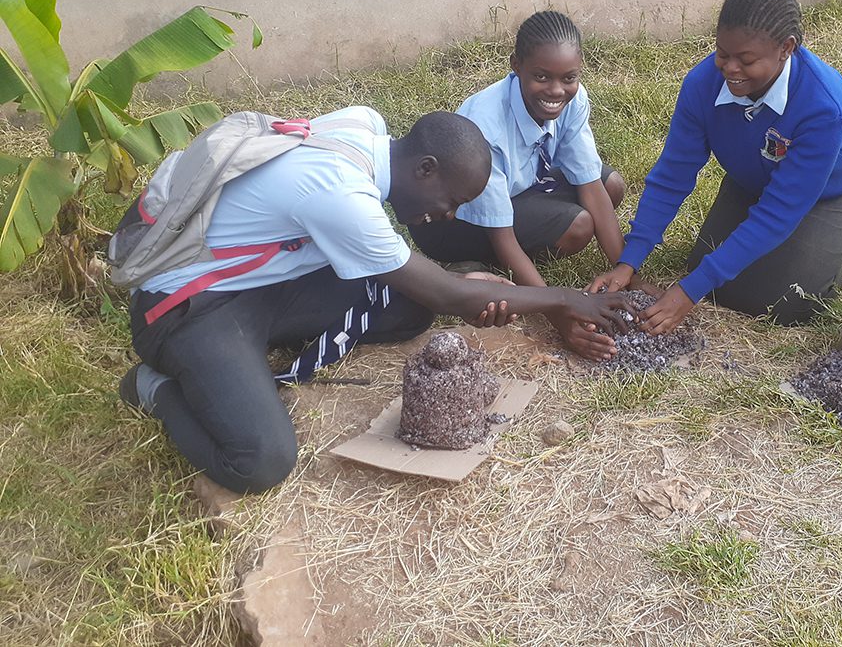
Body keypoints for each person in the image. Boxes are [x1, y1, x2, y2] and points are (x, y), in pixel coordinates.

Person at [119, 107, 631, 494]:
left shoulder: (366, 127)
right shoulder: (340, 193)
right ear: (424, 168)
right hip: (186, 309)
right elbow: (448, 293)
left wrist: (466, 286)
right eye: (450, 201)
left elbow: (434, 288)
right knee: (261, 461)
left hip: (261, 286)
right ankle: (154, 387)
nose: (448, 215)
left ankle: (247, 355)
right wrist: (562, 299)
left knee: (410, 307)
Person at [589, 0, 842, 332]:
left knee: (783, 304)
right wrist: (628, 262)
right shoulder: (702, 84)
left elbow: (780, 211)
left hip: (825, 195)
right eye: (723, 54)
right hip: (750, 180)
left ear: (786, 48)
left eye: (746, 60)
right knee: (713, 278)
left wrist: (687, 293)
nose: (730, 70)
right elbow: (672, 177)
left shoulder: (824, 105)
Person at [410, 11, 626, 336]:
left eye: (569, 78)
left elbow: (591, 184)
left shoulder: (573, 99)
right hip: (450, 223)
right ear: (516, 66)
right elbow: (504, 238)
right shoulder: (487, 127)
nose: (556, 91)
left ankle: (528, 239)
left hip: (519, 189)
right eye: (541, 77)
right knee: (577, 226)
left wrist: (627, 272)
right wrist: (561, 315)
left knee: (611, 186)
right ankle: (468, 263)